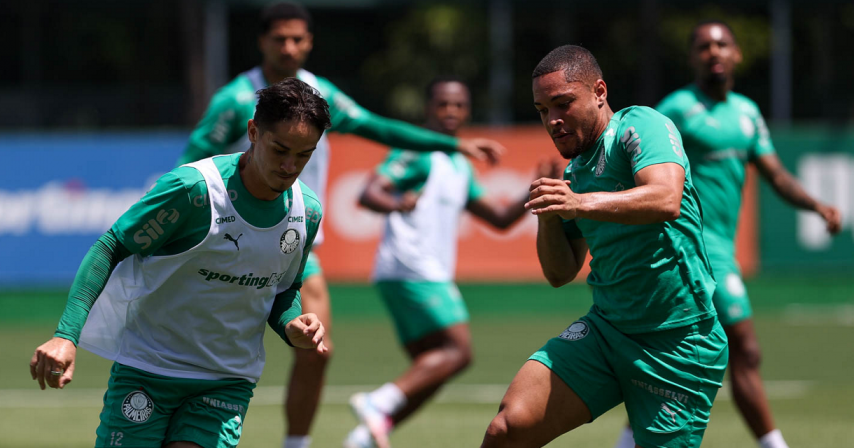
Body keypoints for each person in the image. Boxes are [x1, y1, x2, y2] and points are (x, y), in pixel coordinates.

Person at [177, 5, 505, 447]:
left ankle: (297, 444)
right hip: (228, 242)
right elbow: (190, 164)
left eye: (298, 39)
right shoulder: (236, 100)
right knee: (207, 350)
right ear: (263, 42)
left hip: (294, 247)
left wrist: (453, 144)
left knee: (316, 346)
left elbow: (378, 127)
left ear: (310, 42)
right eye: (280, 39)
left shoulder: (320, 96)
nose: (289, 47)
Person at [30, 78, 330, 448]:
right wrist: (65, 335)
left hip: (227, 381)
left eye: (304, 155)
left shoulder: (308, 211)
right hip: (149, 369)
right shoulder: (193, 191)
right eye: (280, 149)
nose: (290, 166)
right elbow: (111, 246)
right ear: (253, 132)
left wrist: (292, 325)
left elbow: (283, 289)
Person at [480, 45, 729, 448]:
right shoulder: (574, 171)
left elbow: (665, 198)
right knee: (507, 429)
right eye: (543, 110)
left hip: (678, 343)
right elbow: (560, 273)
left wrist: (577, 203)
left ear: (599, 91)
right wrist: (548, 215)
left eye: (563, 103)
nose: (553, 121)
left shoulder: (639, 126)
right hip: (606, 330)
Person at [610, 21, 843, 448]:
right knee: (746, 349)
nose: (713, 52)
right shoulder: (676, 110)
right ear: (692, 58)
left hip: (723, 247)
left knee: (670, 355)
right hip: (690, 246)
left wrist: (816, 205)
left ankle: (629, 440)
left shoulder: (748, 113)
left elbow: (774, 174)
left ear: (736, 54)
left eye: (721, 44)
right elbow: (636, 160)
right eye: (703, 46)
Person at [342, 77, 555, 448]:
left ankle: (366, 435)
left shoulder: (457, 163)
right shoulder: (417, 152)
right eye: (443, 104)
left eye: (458, 105)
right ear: (428, 108)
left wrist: (535, 186)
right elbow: (369, 192)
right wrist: (397, 203)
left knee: (433, 367)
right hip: (411, 267)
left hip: (419, 271)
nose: (451, 112)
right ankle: (377, 402)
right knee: (459, 351)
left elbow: (501, 218)